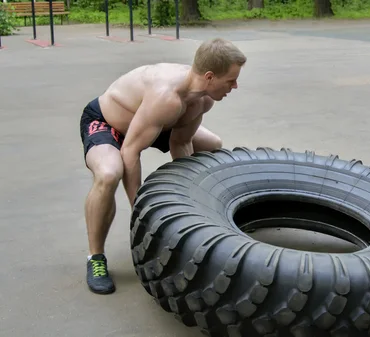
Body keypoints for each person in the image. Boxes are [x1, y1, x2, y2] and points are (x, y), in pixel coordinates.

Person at [78, 38, 246, 294]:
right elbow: (131, 151)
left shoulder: (203, 99)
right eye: (230, 80)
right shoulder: (166, 97)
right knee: (109, 173)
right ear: (210, 77)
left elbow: (182, 143)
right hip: (108, 122)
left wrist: (190, 205)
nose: (235, 86)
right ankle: (96, 258)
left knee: (212, 144)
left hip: (152, 121)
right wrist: (141, 213)